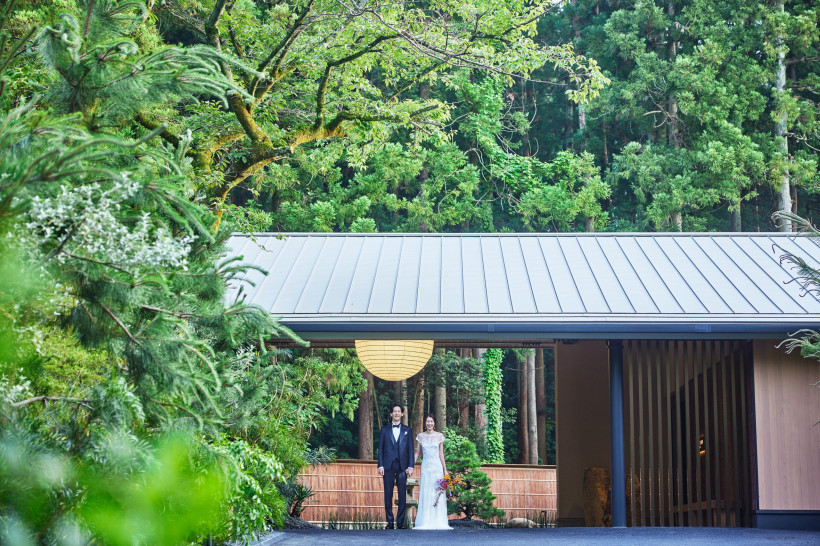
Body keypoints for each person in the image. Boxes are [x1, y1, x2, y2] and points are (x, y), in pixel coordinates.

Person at [377, 403, 415, 529]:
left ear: (402, 414)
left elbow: (410, 449)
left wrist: (411, 466)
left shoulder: (407, 430)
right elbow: (380, 449)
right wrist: (380, 465)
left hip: (402, 466)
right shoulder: (384, 429)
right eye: (394, 411)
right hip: (388, 465)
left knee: (402, 494)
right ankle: (389, 522)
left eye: (399, 411)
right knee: (388, 494)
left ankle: (400, 522)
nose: (397, 413)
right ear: (391, 414)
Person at [412, 414, 452, 530]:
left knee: (437, 492)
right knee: (426, 492)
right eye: (428, 421)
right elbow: (417, 453)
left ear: (434, 423)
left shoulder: (439, 436)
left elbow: (441, 453)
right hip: (426, 467)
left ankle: (438, 521)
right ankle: (425, 521)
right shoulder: (420, 436)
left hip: (437, 468)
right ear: (425, 423)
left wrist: (445, 470)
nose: (429, 423)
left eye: (431, 421)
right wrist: (411, 465)